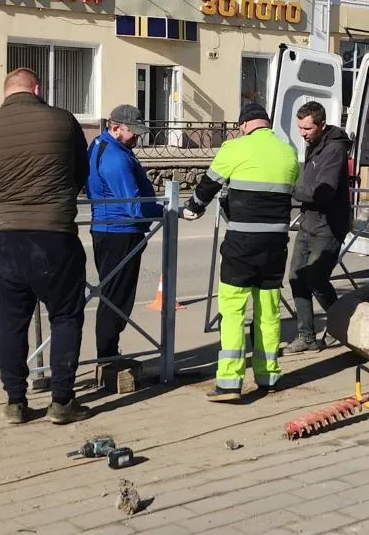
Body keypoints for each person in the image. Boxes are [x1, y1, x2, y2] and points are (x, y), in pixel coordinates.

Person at [0, 68, 92, 425]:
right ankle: (62, 402)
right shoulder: (64, 121)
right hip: (56, 236)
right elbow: (81, 172)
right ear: (38, 89)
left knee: (11, 321)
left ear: (6, 94)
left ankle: (16, 402)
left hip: (7, 240)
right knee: (65, 317)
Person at [182, 102, 300, 402]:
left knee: (233, 311)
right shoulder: (288, 152)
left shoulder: (235, 148)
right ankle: (269, 376)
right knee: (268, 312)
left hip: (242, 244)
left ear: (244, 125)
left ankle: (229, 382)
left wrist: (192, 208)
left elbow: (207, 186)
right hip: (275, 245)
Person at [87, 104, 162, 369]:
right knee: (116, 299)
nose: (137, 137)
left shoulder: (102, 144)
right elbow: (134, 207)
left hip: (109, 230)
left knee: (112, 295)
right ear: (116, 128)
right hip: (119, 233)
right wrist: (167, 210)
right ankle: (108, 358)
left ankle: (108, 354)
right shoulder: (116, 158)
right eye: (133, 132)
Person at [286, 101, 352, 353]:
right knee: (296, 277)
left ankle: (339, 326)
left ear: (322, 125)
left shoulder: (335, 149)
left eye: (307, 128)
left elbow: (323, 192)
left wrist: (292, 191)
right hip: (309, 222)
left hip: (329, 226)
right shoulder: (315, 144)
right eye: (300, 128)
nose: (302, 134)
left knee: (315, 278)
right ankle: (307, 337)